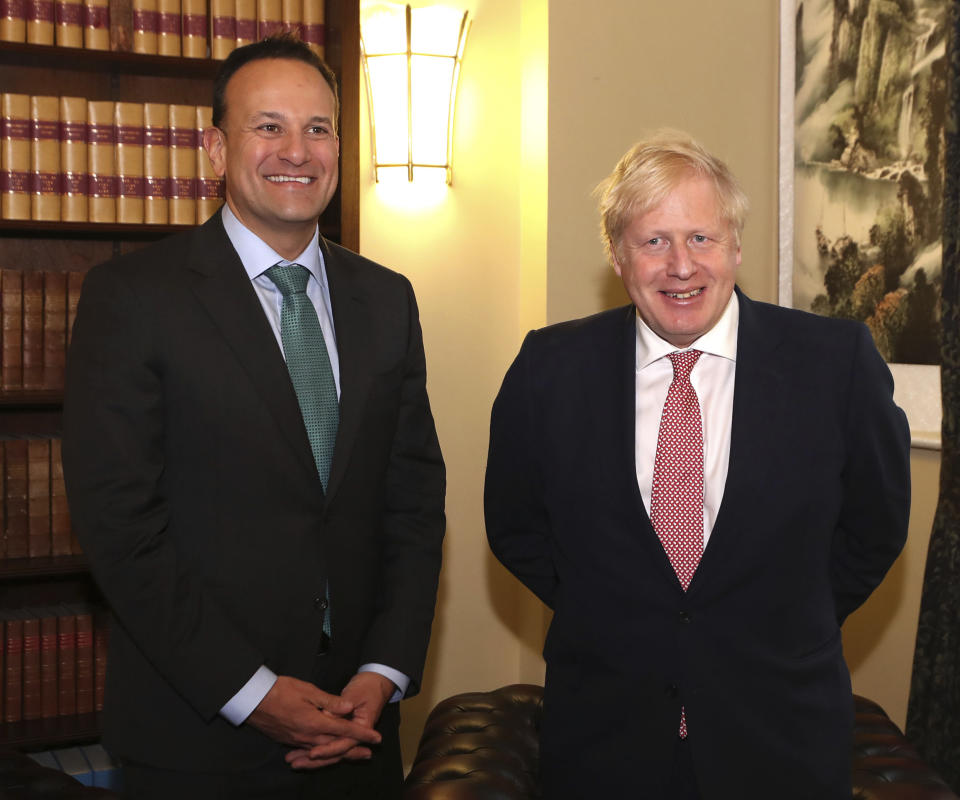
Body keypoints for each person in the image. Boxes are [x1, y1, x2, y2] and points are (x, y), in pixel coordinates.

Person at [62, 35, 445, 800]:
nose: (296, 151)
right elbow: (119, 527)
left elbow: (413, 506)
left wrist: (385, 671)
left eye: (318, 128)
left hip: (360, 735)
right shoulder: (133, 298)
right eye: (267, 126)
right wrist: (253, 693)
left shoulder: (388, 298)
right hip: (201, 736)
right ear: (214, 148)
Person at [484, 131, 910, 799]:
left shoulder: (836, 364)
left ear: (735, 247)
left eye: (701, 239)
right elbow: (515, 528)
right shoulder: (549, 370)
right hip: (604, 743)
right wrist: (614, 612)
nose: (680, 265)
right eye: (653, 241)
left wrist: (789, 616)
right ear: (618, 258)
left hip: (781, 741)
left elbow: (876, 526)